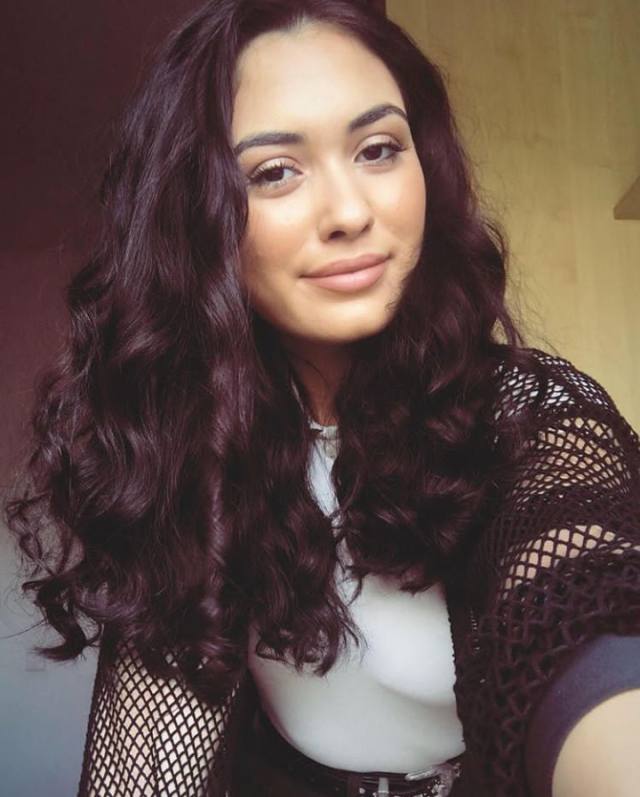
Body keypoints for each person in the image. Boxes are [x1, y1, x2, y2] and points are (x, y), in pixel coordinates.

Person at [4, 1, 640, 795]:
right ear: (196, 216)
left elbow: (587, 637)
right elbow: (146, 759)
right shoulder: (188, 446)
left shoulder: (530, 417)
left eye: (379, 150)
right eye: (276, 171)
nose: (349, 212)